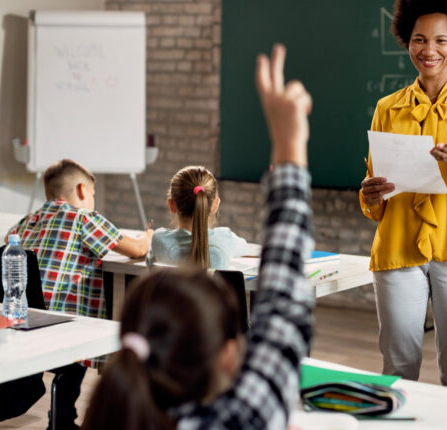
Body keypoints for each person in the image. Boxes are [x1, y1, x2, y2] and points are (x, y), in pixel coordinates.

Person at [81, 43, 315, 429]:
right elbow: (282, 310)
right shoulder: (240, 416)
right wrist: (289, 145)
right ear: (228, 354)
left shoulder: (114, 413)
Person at [359, 0, 447, 388]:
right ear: (407, 41)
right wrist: (370, 196)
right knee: (398, 367)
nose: (429, 50)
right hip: (398, 247)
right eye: (419, 39)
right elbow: (374, 195)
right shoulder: (387, 107)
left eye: (440, 40)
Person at [7, 158, 152, 429]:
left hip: (27, 323)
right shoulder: (83, 218)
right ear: (83, 190)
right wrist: (148, 237)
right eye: (93, 194)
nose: (93, 200)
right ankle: (63, 420)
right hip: (66, 329)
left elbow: (8, 240)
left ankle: (60, 419)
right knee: (79, 349)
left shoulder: (30, 220)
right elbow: (137, 250)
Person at [152, 165, 249, 269]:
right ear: (215, 205)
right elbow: (246, 248)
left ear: (171, 204)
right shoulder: (226, 238)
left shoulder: (159, 239)